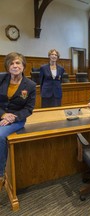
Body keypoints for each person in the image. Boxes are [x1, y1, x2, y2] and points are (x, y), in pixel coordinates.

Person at [0, 52, 36, 191]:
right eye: (12, 63)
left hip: (17, 119)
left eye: (18, 63)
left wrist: (12, 117)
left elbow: (28, 109)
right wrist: (3, 114)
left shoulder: (30, 85)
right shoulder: (1, 78)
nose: (15, 66)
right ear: (7, 66)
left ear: (23, 66)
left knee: (0, 135)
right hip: (2, 115)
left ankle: (1, 174)